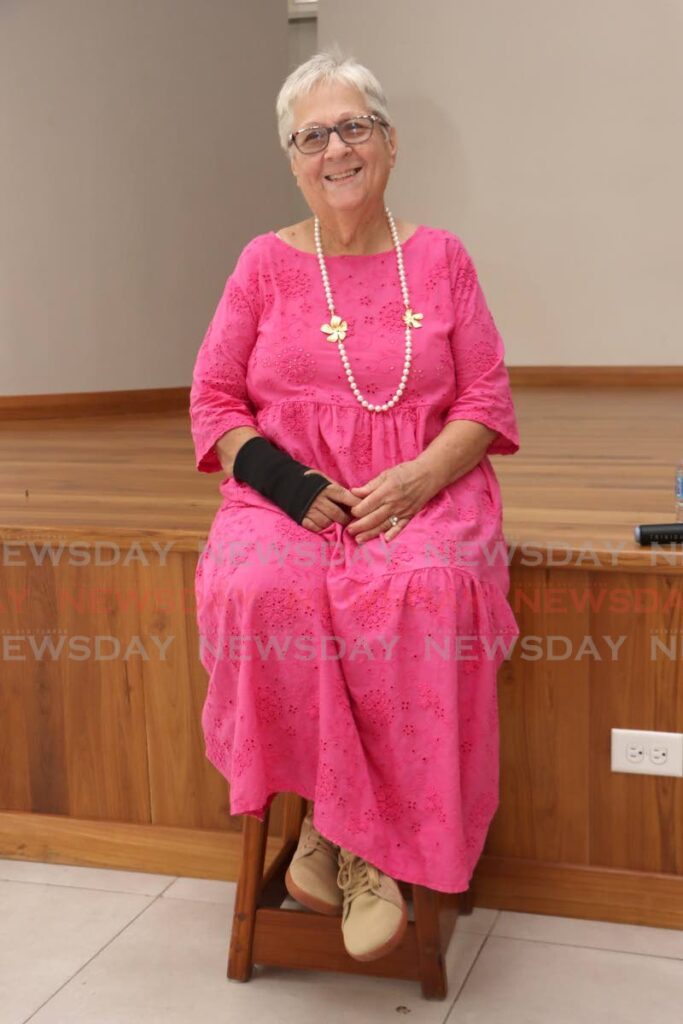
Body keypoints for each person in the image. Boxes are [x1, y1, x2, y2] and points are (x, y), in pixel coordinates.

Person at [189, 49, 520, 963]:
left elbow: (485, 401)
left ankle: (343, 842)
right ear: (292, 160)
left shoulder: (442, 258)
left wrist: (416, 479)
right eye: (312, 136)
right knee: (265, 590)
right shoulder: (262, 262)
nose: (334, 148)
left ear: (388, 142)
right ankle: (348, 831)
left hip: (425, 489)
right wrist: (292, 490)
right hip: (286, 495)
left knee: (418, 591)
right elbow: (214, 401)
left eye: (352, 127)